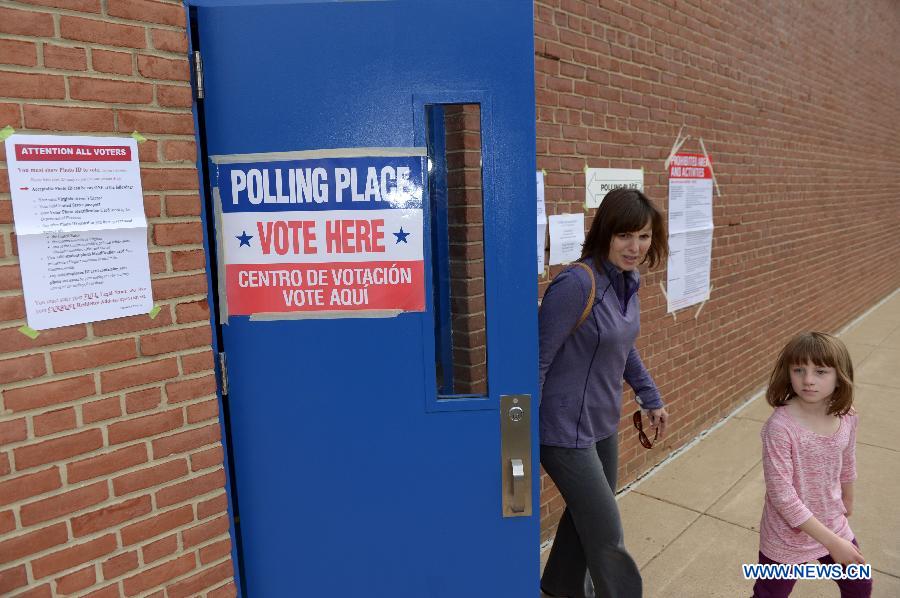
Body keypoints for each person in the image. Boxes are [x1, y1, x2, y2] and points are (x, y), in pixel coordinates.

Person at [539, 188, 669, 598]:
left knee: (587, 519)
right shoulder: (578, 283)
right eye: (625, 235)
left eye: (644, 237)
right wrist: (516, 433)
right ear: (605, 233)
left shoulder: (630, 281)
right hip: (562, 431)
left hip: (601, 422)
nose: (635, 247)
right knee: (607, 534)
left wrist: (651, 397)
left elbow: (623, 346)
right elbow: (538, 360)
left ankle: (559, 587)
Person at [752, 331, 872, 598]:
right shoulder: (780, 428)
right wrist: (833, 543)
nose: (808, 380)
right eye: (799, 369)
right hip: (786, 534)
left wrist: (848, 500)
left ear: (839, 375)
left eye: (820, 371)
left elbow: (847, 460)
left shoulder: (847, 416)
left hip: (832, 522)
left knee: (859, 584)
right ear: (788, 373)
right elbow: (782, 496)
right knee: (770, 594)